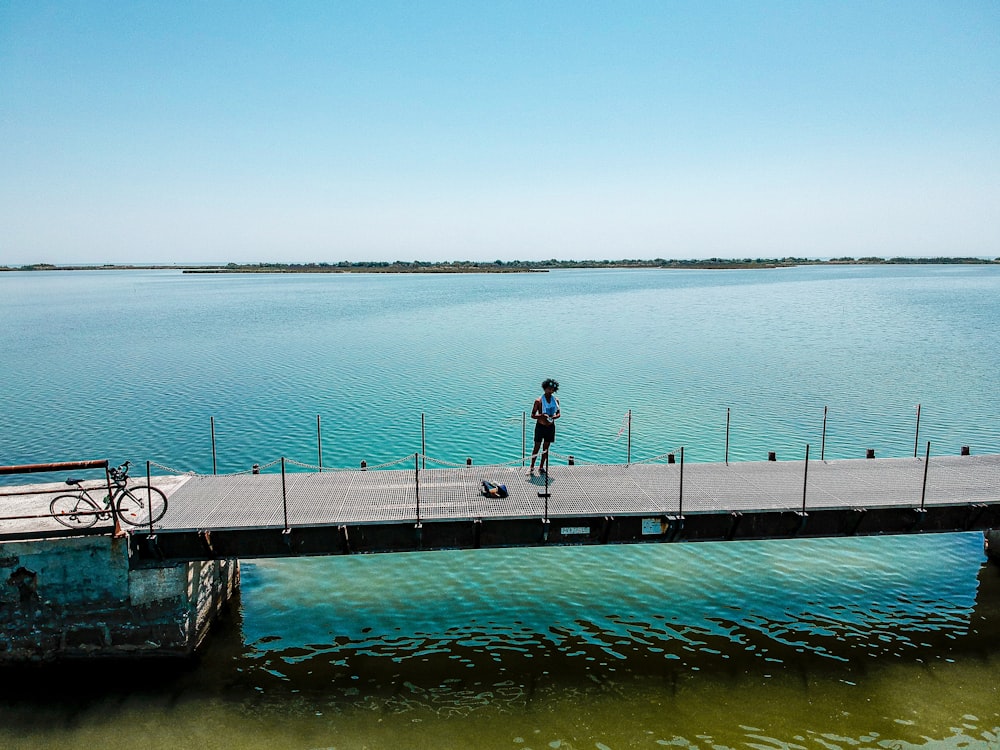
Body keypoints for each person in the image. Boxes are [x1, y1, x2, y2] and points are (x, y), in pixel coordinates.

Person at [528, 378, 560, 475]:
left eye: (552, 389)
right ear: (544, 388)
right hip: (540, 427)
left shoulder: (556, 400)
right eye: (548, 389)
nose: (550, 391)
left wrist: (554, 417)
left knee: (546, 448)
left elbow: (559, 414)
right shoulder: (538, 401)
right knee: (536, 447)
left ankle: (541, 467)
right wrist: (541, 415)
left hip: (550, 427)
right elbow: (533, 415)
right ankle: (532, 466)